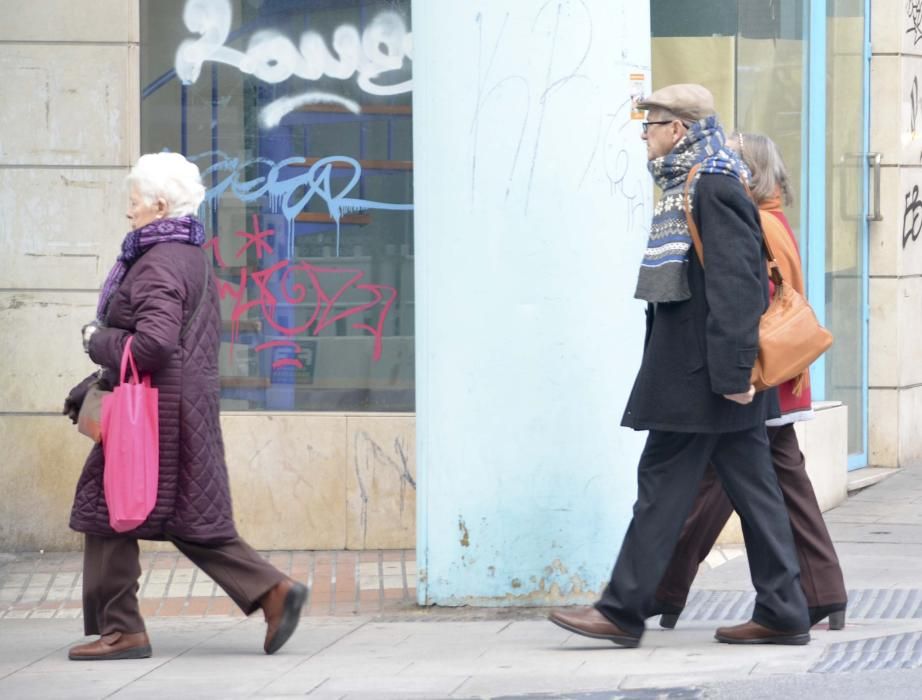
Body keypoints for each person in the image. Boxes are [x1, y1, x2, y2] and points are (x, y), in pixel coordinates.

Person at [548, 84, 810, 647]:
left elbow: (739, 283)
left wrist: (738, 370)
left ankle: (621, 610)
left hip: (707, 377)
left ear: (680, 131)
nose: (644, 134)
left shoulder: (710, 184)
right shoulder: (692, 183)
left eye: (653, 124)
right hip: (708, 373)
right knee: (756, 491)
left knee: (662, 484)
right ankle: (785, 608)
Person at [62, 152, 306, 661]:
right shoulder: (185, 252)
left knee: (108, 511)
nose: (128, 212)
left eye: (133, 203)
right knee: (189, 519)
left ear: (158, 204)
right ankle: (272, 591)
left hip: (151, 416)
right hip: (174, 408)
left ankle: (124, 631)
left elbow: (152, 345)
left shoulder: (158, 262)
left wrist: (96, 339)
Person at [652, 132, 847, 631]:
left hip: (757, 377)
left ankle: (661, 589)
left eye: (731, 159)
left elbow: (747, 298)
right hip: (772, 377)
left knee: (730, 483)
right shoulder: (773, 216)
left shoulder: (755, 220)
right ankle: (821, 591)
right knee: (763, 483)